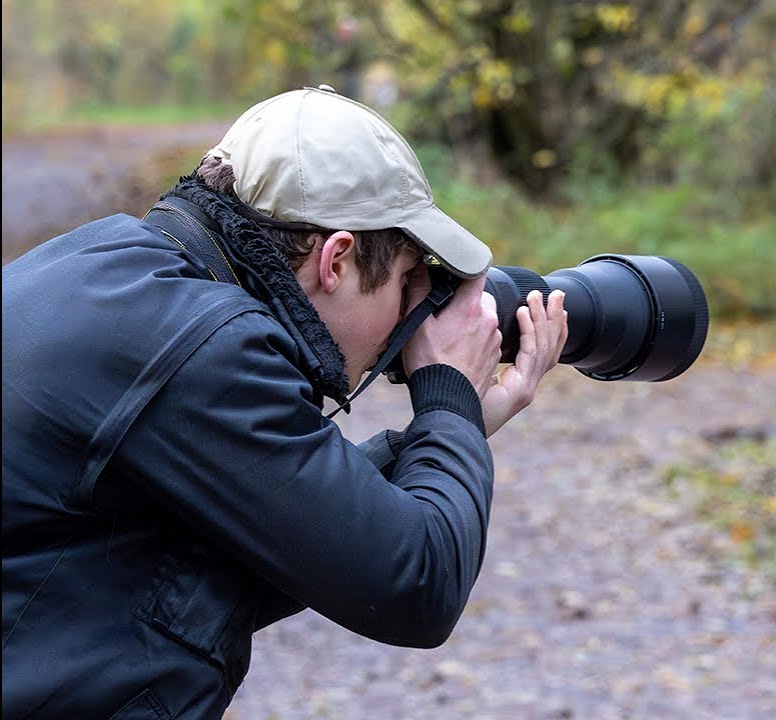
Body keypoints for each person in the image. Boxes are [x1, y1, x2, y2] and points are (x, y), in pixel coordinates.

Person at [1, 84, 568, 718]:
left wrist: (438, 436)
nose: (410, 319)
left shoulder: (107, 267)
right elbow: (417, 585)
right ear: (337, 260)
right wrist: (446, 393)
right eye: (408, 281)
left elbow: (277, 525)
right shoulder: (203, 349)